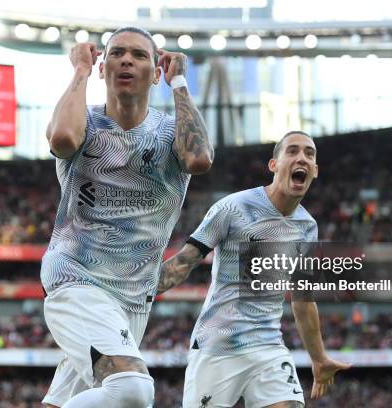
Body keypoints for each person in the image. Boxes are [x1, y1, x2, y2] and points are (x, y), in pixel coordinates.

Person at [41, 26, 213, 408]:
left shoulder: (170, 133)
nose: (126, 60)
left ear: (156, 73)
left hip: (134, 299)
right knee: (132, 390)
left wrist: (179, 80)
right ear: (104, 66)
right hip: (76, 280)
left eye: (139, 55)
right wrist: (81, 70)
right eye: (117, 53)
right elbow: (62, 140)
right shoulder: (83, 121)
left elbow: (198, 159)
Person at [157, 131, 350, 408]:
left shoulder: (307, 227)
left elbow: (303, 300)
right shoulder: (233, 208)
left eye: (309, 154)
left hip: (268, 346)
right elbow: (185, 261)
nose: (302, 158)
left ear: (316, 171)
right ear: (274, 165)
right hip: (218, 345)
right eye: (293, 151)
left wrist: (319, 358)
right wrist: (136, 293)